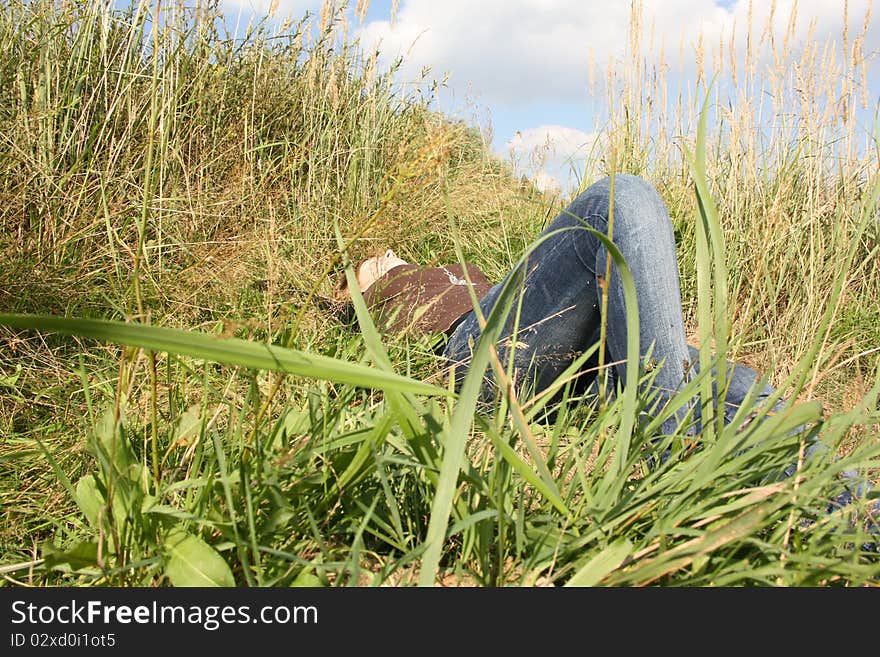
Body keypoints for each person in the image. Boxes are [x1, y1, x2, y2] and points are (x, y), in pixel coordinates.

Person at [339, 174, 878, 541]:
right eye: (380, 261)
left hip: (576, 360)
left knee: (728, 380)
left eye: (390, 255)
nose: (389, 256)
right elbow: (356, 315)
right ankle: (673, 457)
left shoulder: (467, 274)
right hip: (478, 353)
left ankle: (857, 512)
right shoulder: (397, 290)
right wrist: (372, 276)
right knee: (624, 199)